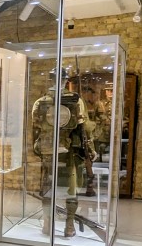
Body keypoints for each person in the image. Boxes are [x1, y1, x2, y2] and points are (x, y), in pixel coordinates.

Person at [31, 76, 95, 237]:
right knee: (71, 189)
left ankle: (47, 225)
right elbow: (85, 128)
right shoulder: (77, 101)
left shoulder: (40, 102)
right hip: (70, 152)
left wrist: (37, 148)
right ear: (66, 81)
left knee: (47, 188)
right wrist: (90, 149)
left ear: (50, 80)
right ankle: (69, 227)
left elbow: (35, 128)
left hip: (48, 150)